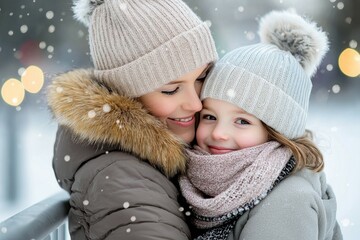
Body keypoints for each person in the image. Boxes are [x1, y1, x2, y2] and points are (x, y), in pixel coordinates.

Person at [46, 0, 218, 239]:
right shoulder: (121, 179)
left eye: (202, 77)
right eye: (170, 90)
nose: (195, 103)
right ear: (128, 95)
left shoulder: (164, 158)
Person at [179, 10, 343, 240]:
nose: (219, 133)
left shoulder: (287, 202)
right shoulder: (194, 181)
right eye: (210, 116)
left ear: (277, 134)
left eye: (243, 121)